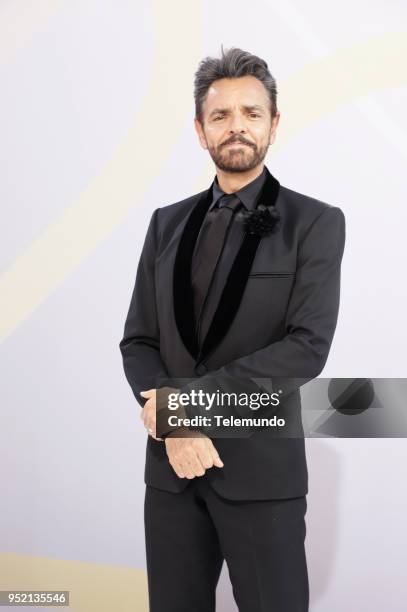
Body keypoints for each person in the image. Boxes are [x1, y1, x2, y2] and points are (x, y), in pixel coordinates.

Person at [119, 46, 346, 612]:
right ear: (200, 130)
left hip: (261, 475)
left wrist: (181, 410)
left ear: (274, 124)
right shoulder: (165, 223)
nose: (236, 126)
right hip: (171, 475)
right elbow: (139, 341)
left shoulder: (315, 223)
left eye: (251, 112)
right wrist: (177, 430)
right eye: (220, 115)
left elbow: (306, 348)